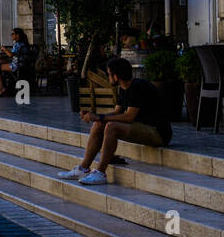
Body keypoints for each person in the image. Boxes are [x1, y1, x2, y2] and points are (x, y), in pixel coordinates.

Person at [62, 56, 172, 186]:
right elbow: (116, 113)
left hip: (157, 133)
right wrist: (95, 116)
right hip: (142, 127)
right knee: (99, 124)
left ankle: (100, 173)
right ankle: (83, 168)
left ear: (116, 76)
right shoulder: (123, 88)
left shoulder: (138, 87)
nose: (108, 77)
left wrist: (101, 117)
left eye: (109, 74)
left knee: (111, 127)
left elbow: (129, 117)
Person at [0, 28, 29, 97]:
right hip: (21, 63)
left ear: (17, 35)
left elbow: (11, 55)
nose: (11, 35)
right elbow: (14, 55)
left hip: (17, 64)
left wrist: (5, 49)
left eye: (13, 34)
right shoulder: (23, 43)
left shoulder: (18, 44)